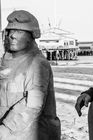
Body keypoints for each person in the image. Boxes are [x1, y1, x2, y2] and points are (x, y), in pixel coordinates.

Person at [0, 10, 61, 140]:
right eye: (10, 31)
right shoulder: (8, 61)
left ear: (31, 36)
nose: (12, 35)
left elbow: (32, 106)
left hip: (28, 132)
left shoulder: (37, 63)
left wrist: (5, 129)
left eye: (19, 32)